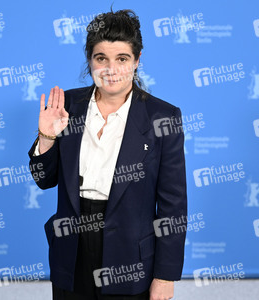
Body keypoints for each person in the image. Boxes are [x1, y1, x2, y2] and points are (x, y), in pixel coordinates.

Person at [28, 9, 187, 300]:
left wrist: (165, 276)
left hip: (130, 259)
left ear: (137, 61)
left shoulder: (162, 117)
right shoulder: (67, 105)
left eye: (122, 59)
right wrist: (47, 136)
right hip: (72, 252)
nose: (111, 69)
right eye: (101, 58)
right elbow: (43, 180)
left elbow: (173, 206)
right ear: (90, 61)